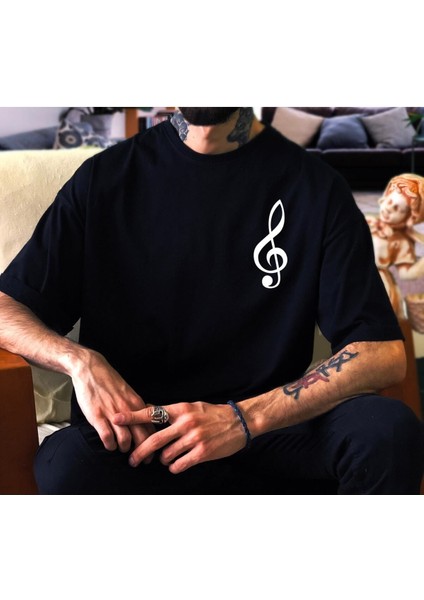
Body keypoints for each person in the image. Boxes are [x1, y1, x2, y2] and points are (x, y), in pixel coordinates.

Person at [0, 107, 423, 494]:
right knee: (66, 465)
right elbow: (6, 308)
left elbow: (381, 354)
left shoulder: (315, 187)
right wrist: (79, 361)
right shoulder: (105, 179)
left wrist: (244, 419)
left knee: (385, 432)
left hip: (269, 430)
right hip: (143, 437)